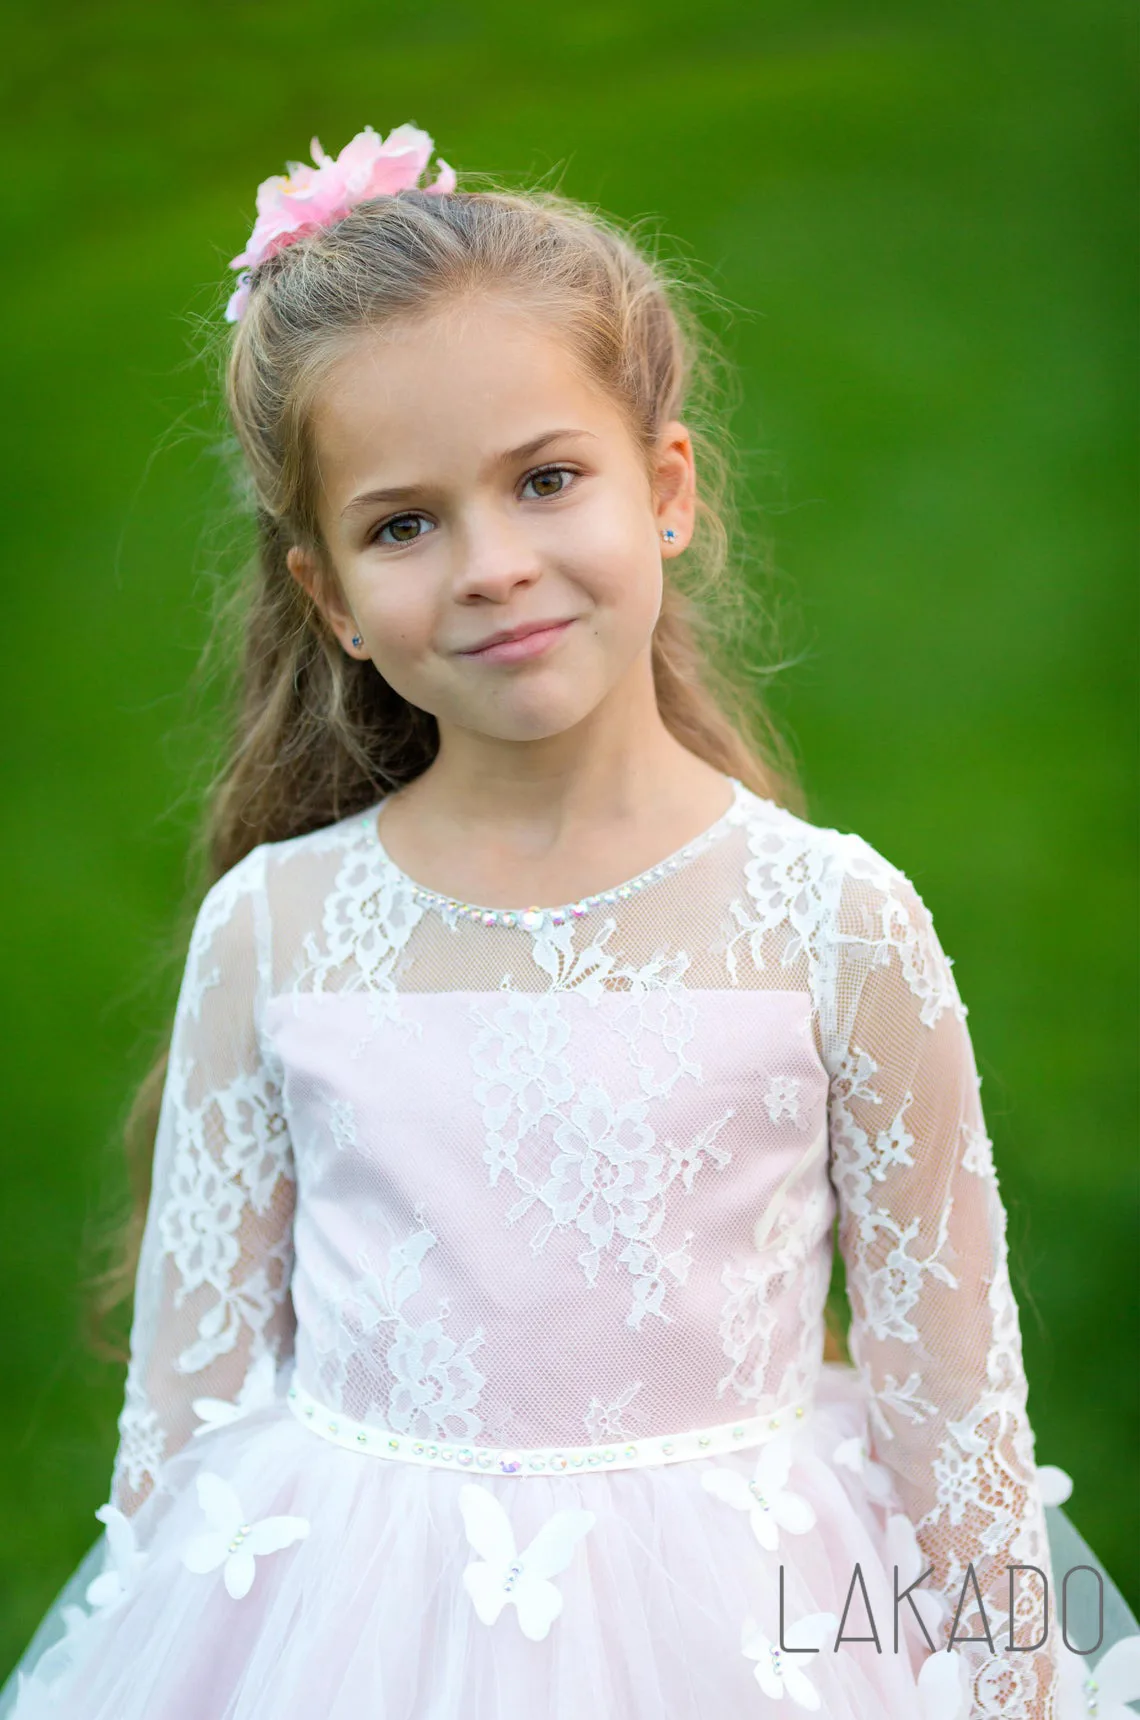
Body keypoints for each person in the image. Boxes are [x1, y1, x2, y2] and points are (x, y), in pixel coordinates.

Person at [2, 121, 1136, 1720]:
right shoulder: (279, 933)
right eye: (405, 523)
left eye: (547, 481)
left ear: (664, 488)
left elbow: (955, 1413)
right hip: (357, 1637)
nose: (494, 566)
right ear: (327, 592)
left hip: (746, 1628)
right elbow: (185, 1431)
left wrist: (1023, 1690)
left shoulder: (833, 923)